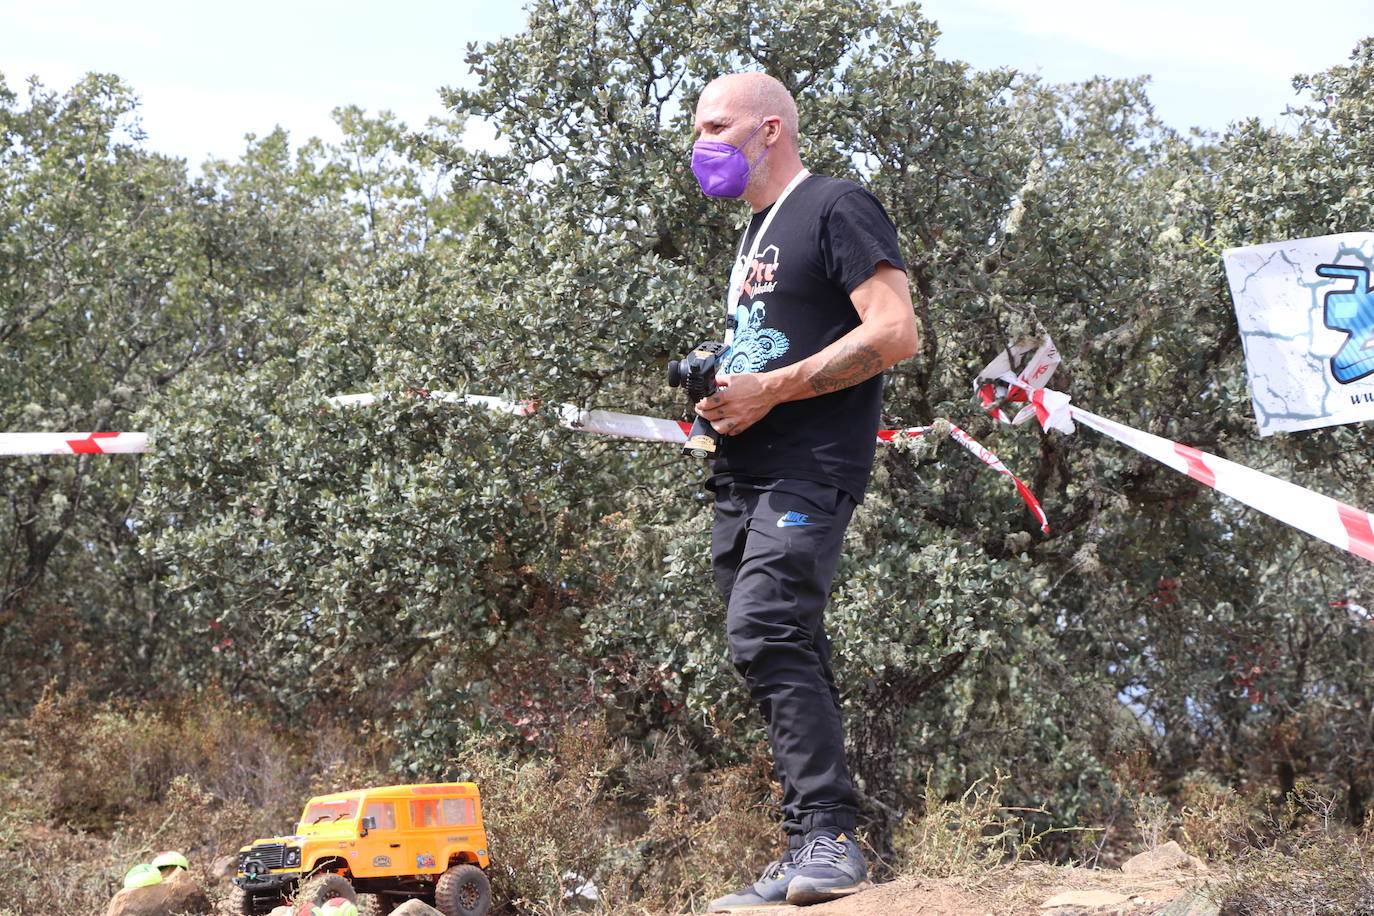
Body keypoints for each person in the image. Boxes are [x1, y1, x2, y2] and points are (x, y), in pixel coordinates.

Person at [687, 72, 920, 910]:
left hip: (810, 468)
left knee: (765, 626)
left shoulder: (834, 205)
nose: (702, 143)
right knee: (777, 646)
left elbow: (895, 332)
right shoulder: (755, 235)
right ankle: (805, 846)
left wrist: (773, 389)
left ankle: (829, 837)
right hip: (743, 473)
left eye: (717, 125)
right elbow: (772, 348)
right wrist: (724, 387)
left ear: (771, 129)